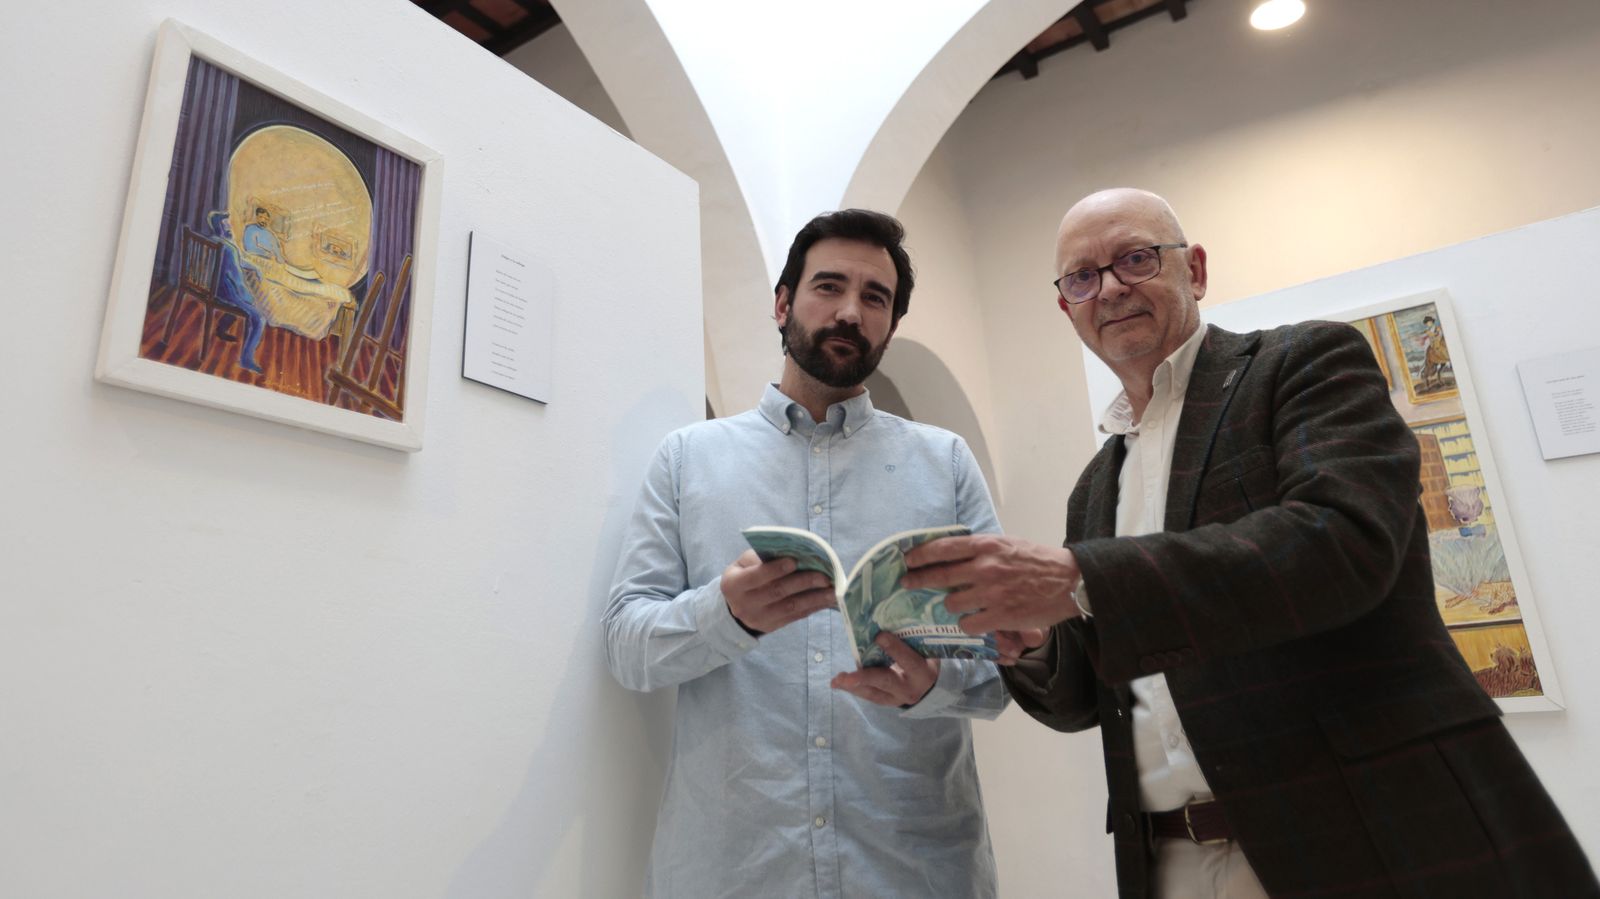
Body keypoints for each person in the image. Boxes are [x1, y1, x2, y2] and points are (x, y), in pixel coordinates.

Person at [900, 188, 1598, 898]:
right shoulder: (1093, 488)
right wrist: (1035, 643)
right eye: (1082, 276)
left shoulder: (1304, 365)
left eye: (1135, 259)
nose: (1109, 288)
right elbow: (1094, 695)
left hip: (1374, 834)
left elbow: (1339, 543)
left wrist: (1080, 576)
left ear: (1194, 270)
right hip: (1168, 859)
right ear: (1067, 307)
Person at [605, 209, 1006, 898]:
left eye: (875, 297)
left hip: (915, 868)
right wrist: (723, 613)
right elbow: (626, 646)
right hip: (736, 870)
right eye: (829, 286)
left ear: (891, 324)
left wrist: (932, 684)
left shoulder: (945, 463)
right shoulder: (687, 459)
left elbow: (1009, 661)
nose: (850, 311)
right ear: (783, 302)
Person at [207, 212, 267, 374]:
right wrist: (249, 298)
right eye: (226, 224)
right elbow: (236, 278)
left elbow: (238, 261)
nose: (229, 226)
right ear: (221, 226)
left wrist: (255, 267)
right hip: (225, 292)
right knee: (258, 318)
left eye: (229, 223)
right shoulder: (228, 247)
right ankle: (246, 360)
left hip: (211, 287)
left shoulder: (215, 241)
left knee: (241, 302)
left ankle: (221, 329)